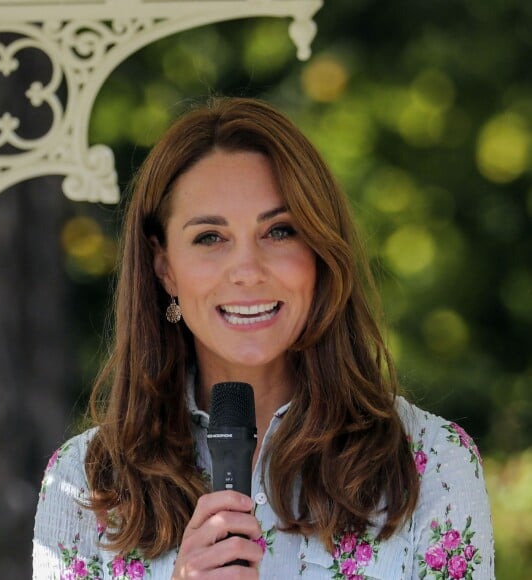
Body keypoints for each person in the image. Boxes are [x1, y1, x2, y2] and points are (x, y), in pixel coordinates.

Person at [33, 97, 494, 579]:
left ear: (319, 250)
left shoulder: (431, 461)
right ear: (164, 267)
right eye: (210, 237)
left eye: (279, 231)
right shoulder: (87, 482)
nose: (248, 271)